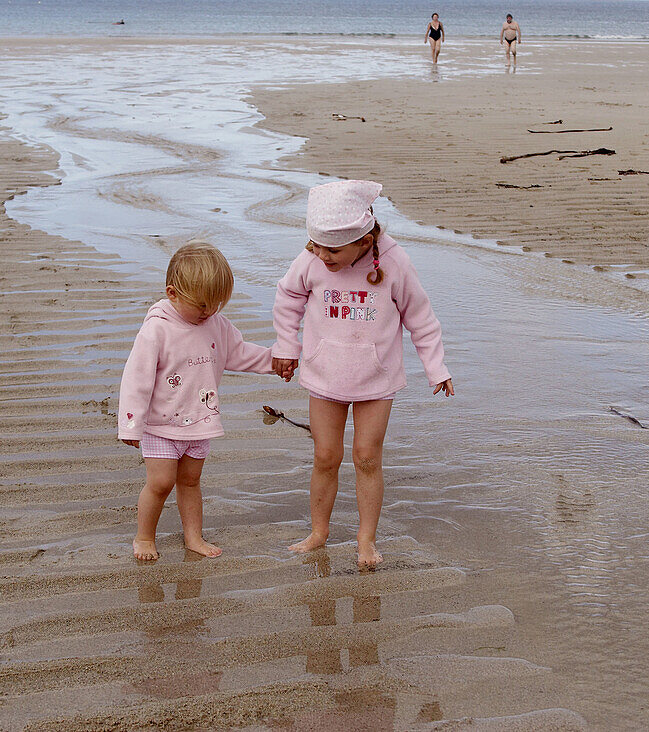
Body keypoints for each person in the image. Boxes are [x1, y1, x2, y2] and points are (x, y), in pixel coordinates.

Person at [271, 180, 455, 568]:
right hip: (324, 374)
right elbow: (288, 299)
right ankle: (319, 531)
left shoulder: (393, 261)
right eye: (316, 244)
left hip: (376, 379)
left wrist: (435, 367)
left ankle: (365, 538)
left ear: (363, 240)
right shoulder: (311, 260)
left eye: (333, 250)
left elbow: (421, 317)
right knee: (325, 455)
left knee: (367, 457)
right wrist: (287, 346)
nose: (322, 255)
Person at [118, 241, 278, 561]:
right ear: (173, 293)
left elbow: (240, 352)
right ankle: (145, 536)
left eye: (216, 304)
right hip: (161, 425)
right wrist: (131, 424)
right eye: (202, 305)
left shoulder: (215, 323)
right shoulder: (157, 330)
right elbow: (136, 379)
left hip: (200, 422)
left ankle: (193, 536)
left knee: (190, 483)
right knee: (161, 483)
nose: (209, 312)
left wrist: (276, 362)